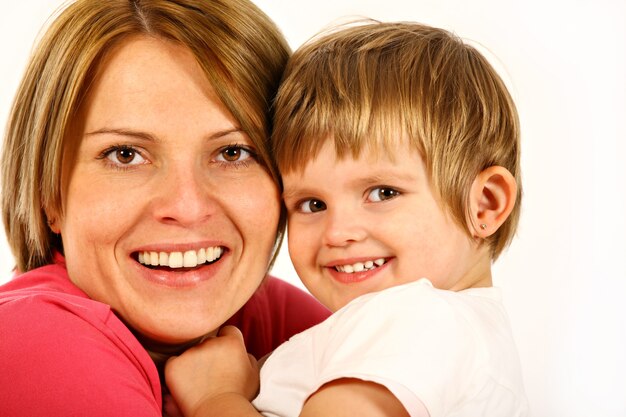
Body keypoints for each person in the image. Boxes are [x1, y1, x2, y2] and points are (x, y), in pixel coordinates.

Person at [165, 21, 529, 416]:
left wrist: (214, 397)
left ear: (485, 205)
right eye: (312, 205)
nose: (337, 233)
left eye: (383, 193)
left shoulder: (419, 319)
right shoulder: (452, 332)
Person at [0, 1, 330, 416]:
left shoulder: (264, 311)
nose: (187, 207)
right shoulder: (33, 340)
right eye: (125, 155)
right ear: (50, 193)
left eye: (232, 152)